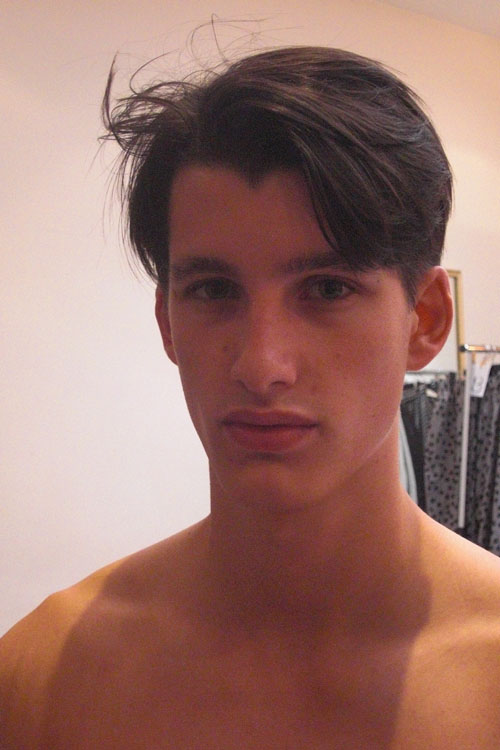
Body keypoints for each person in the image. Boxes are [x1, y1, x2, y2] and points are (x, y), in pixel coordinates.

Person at [1, 45, 500, 750]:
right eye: (214, 290)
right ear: (168, 322)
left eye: (327, 289)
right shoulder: (46, 675)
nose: (262, 366)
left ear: (425, 320)